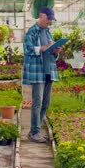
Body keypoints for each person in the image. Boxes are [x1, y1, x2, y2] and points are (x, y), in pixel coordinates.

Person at [22, 7, 62, 143]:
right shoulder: (32, 32)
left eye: (51, 19)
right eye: (49, 19)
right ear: (41, 16)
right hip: (37, 71)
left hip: (48, 71)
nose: (50, 22)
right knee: (37, 102)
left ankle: (36, 130)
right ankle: (34, 132)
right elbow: (27, 49)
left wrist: (56, 52)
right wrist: (42, 48)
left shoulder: (48, 32)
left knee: (46, 103)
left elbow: (50, 53)